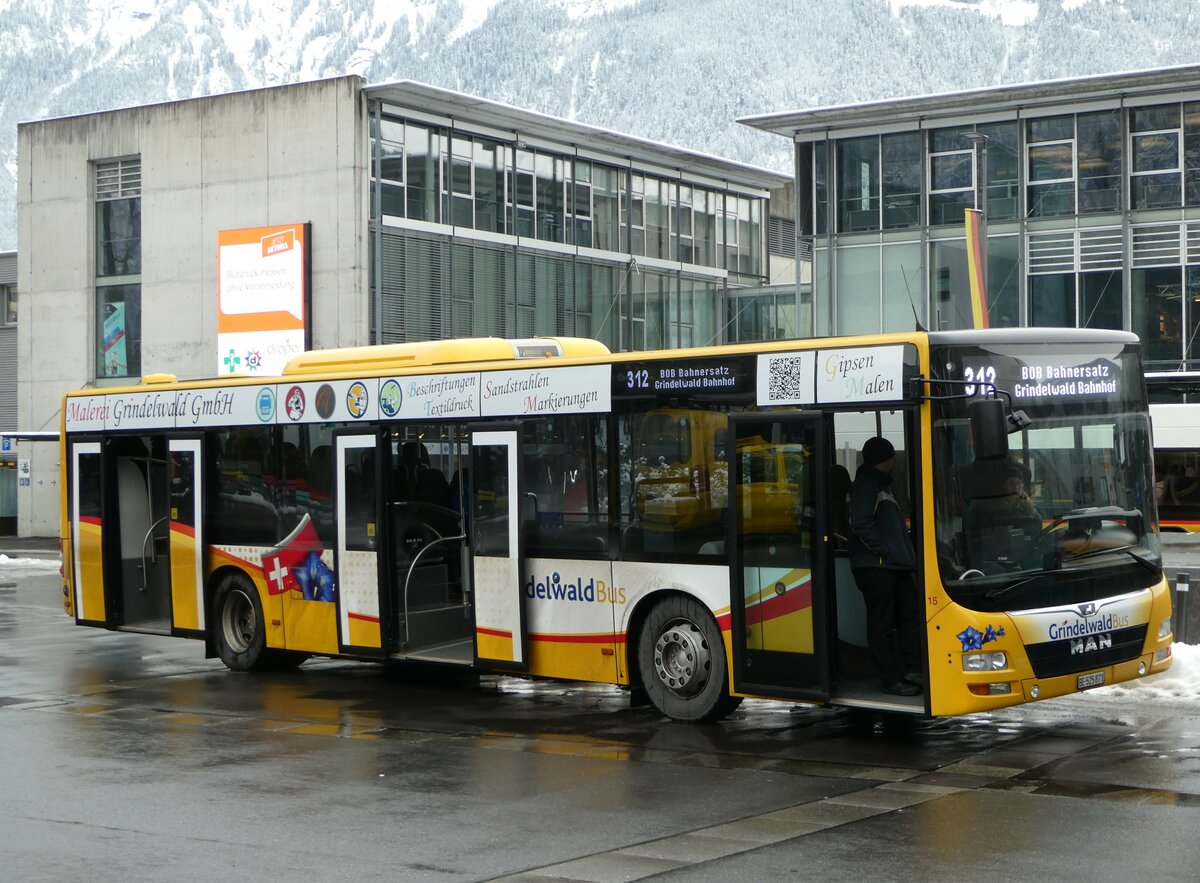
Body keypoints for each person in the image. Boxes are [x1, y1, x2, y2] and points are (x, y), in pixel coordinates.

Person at [848, 436, 922, 696]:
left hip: (894, 566)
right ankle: (891, 680)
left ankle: (913, 669)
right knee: (883, 624)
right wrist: (884, 551)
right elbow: (860, 523)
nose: (895, 460)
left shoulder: (882, 486)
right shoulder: (866, 486)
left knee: (910, 614)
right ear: (886, 459)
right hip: (878, 567)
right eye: (892, 456)